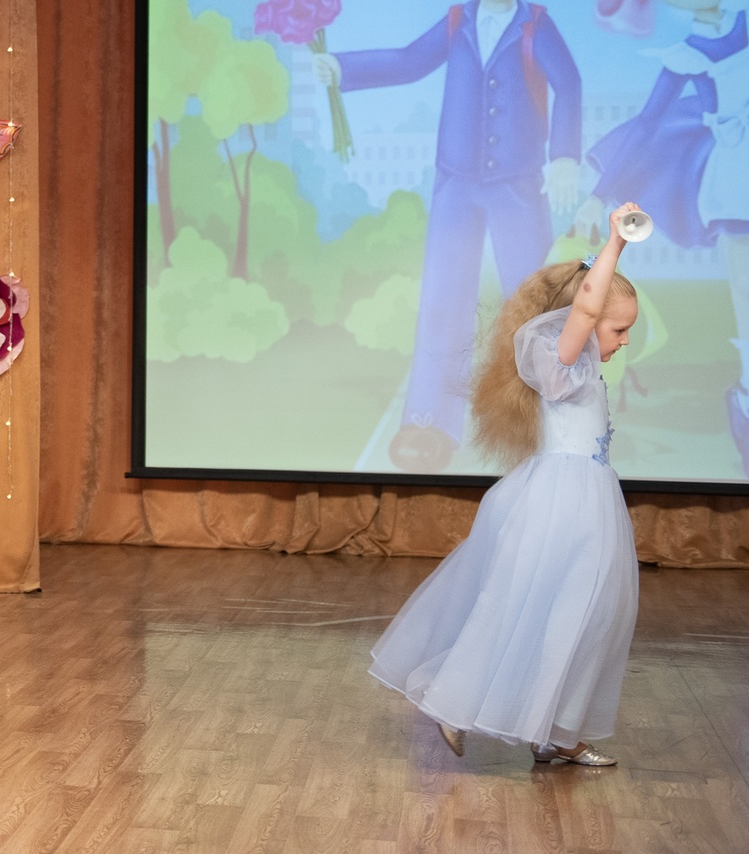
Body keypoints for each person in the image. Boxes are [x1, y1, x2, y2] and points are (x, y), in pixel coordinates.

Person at [369, 203, 643, 766]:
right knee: (531, 608)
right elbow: (587, 305)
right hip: (561, 505)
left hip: (588, 504)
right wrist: (615, 243)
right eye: (619, 329)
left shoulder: (582, 367)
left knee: (585, 618)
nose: (623, 341)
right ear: (583, 320)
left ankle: (557, 732)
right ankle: (453, 703)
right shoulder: (561, 360)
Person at [315, 0, 581, 473]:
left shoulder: (535, 23)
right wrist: (341, 67)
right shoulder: (460, 19)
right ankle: (430, 419)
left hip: (519, 183)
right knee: (443, 297)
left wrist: (563, 156)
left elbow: (570, 83)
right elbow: (410, 61)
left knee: (533, 302)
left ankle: (546, 417)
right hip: (456, 179)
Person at [576, 0, 749, 474]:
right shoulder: (685, 54)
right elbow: (646, 125)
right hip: (735, 180)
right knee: (745, 297)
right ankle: (746, 407)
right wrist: (598, 195)